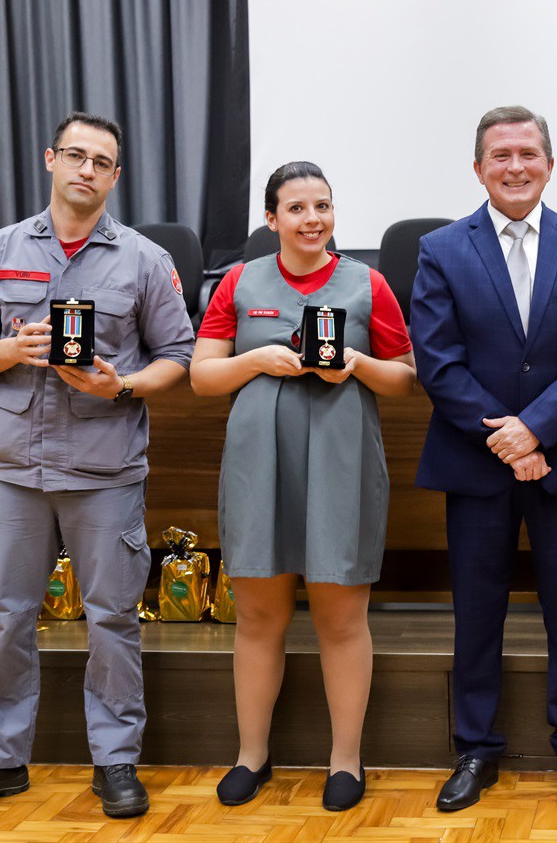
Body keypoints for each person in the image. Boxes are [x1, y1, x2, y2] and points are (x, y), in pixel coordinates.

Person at [0, 112, 194, 819]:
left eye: (101, 162)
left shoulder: (143, 260)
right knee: (6, 618)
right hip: (16, 471)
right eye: (76, 155)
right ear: (51, 159)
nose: (86, 170)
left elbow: (179, 356)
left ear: (115, 176)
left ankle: (115, 760)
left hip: (106, 470)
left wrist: (122, 385)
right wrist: (9, 350)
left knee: (112, 619)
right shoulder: (1, 249)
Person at [410, 106, 557, 813]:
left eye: (528, 153)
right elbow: (438, 363)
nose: (515, 166)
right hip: (475, 465)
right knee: (477, 613)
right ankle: (475, 747)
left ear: (549, 165)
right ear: (479, 169)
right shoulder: (442, 249)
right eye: (500, 155)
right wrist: (506, 440)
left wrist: (534, 431)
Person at [190, 162, 415, 812]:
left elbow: (405, 378)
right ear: (271, 218)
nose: (312, 219)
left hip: (341, 464)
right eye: (296, 208)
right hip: (258, 466)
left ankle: (345, 760)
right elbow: (202, 378)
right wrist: (256, 359)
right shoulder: (239, 281)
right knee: (260, 616)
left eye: (323, 205)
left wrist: (358, 363)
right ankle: (251, 755)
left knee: (340, 618)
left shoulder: (368, 283)